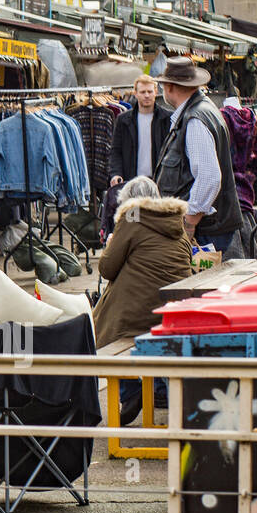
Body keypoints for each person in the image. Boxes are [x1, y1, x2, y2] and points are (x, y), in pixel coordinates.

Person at [94, 176, 193, 424]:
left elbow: (106, 268)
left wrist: (110, 245)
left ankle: (131, 390)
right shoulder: (175, 221)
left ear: (129, 202)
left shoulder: (132, 218)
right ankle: (158, 390)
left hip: (140, 315)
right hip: (172, 312)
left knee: (102, 325)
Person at [154, 57, 243, 255]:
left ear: (169, 87)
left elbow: (209, 178)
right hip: (211, 227)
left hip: (206, 230)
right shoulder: (202, 110)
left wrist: (190, 221)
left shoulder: (195, 118)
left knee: (203, 285)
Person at [219, 99, 257, 258]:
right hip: (245, 196)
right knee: (248, 254)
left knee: (231, 262)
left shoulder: (220, 119)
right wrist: (248, 173)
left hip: (225, 198)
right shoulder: (253, 119)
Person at [107, 74, 171, 190]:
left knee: (157, 209)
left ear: (156, 92)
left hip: (160, 183)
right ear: (135, 93)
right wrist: (115, 174)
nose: (147, 95)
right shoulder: (123, 120)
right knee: (133, 209)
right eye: (142, 92)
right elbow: (116, 150)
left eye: (150, 91)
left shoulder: (167, 119)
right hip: (131, 181)